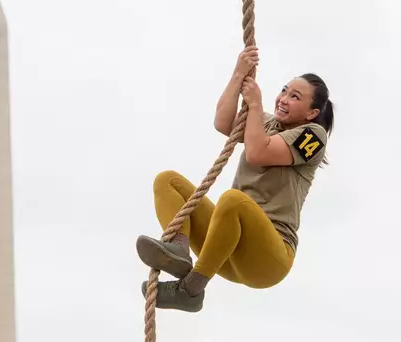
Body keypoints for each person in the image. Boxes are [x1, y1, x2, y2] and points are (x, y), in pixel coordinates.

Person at [137, 45, 334, 313]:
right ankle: (179, 251)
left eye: (295, 97)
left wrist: (255, 104)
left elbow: (257, 152)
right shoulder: (263, 123)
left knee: (233, 200)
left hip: (269, 260)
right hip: (225, 248)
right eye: (284, 91)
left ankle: (191, 289)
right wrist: (238, 73)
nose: (284, 99)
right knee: (167, 180)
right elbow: (222, 122)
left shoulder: (314, 135)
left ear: (312, 113)